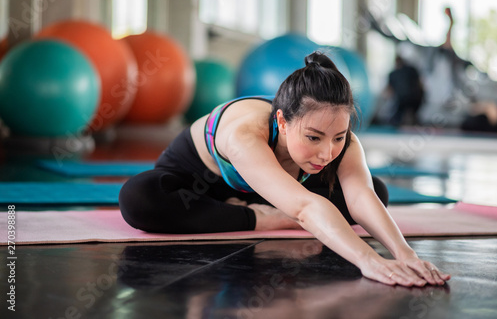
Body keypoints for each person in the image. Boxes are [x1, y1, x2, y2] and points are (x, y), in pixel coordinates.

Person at [119, 52, 451, 287]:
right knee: (139, 199)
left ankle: (267, 207)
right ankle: (265, 216)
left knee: (376, 191)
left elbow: (362, 195)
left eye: (338, 137)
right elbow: (307, 207)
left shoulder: (343, 143)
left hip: (280, 188)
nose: (327, 152)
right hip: (203, 184)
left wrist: (405, 254)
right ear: (282, 121)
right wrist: (368, 261)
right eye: (314, 137)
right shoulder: (245, 133)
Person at [386, 55, 425, 126]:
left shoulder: (393, 74)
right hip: (415, 98)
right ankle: (414, 122)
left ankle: (395, 124)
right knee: (411, 112)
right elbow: (420, 84)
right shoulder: (412, 69)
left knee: (397, 115)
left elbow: (389, 91)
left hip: (402, 100)